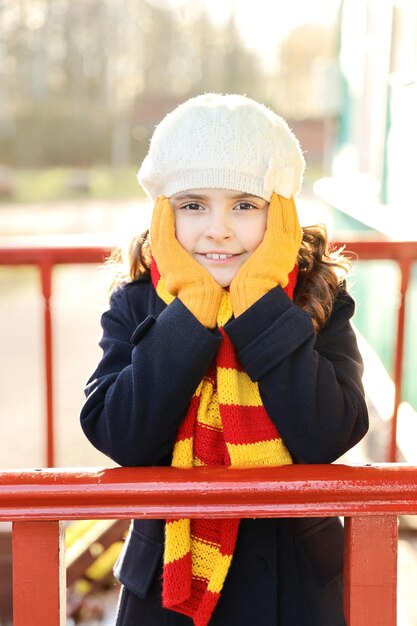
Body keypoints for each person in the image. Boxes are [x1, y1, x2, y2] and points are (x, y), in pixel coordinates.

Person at [80, 93, 369, 626]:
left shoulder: (318, 298)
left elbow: (329, 432)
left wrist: (260, 301)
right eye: (193, 205)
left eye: (244, 204)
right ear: (164, 215)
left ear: (280, 213)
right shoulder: (139, 301)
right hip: (168, 584)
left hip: (295, 582)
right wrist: (191, 312)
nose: (218, 229)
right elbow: (119, 434)